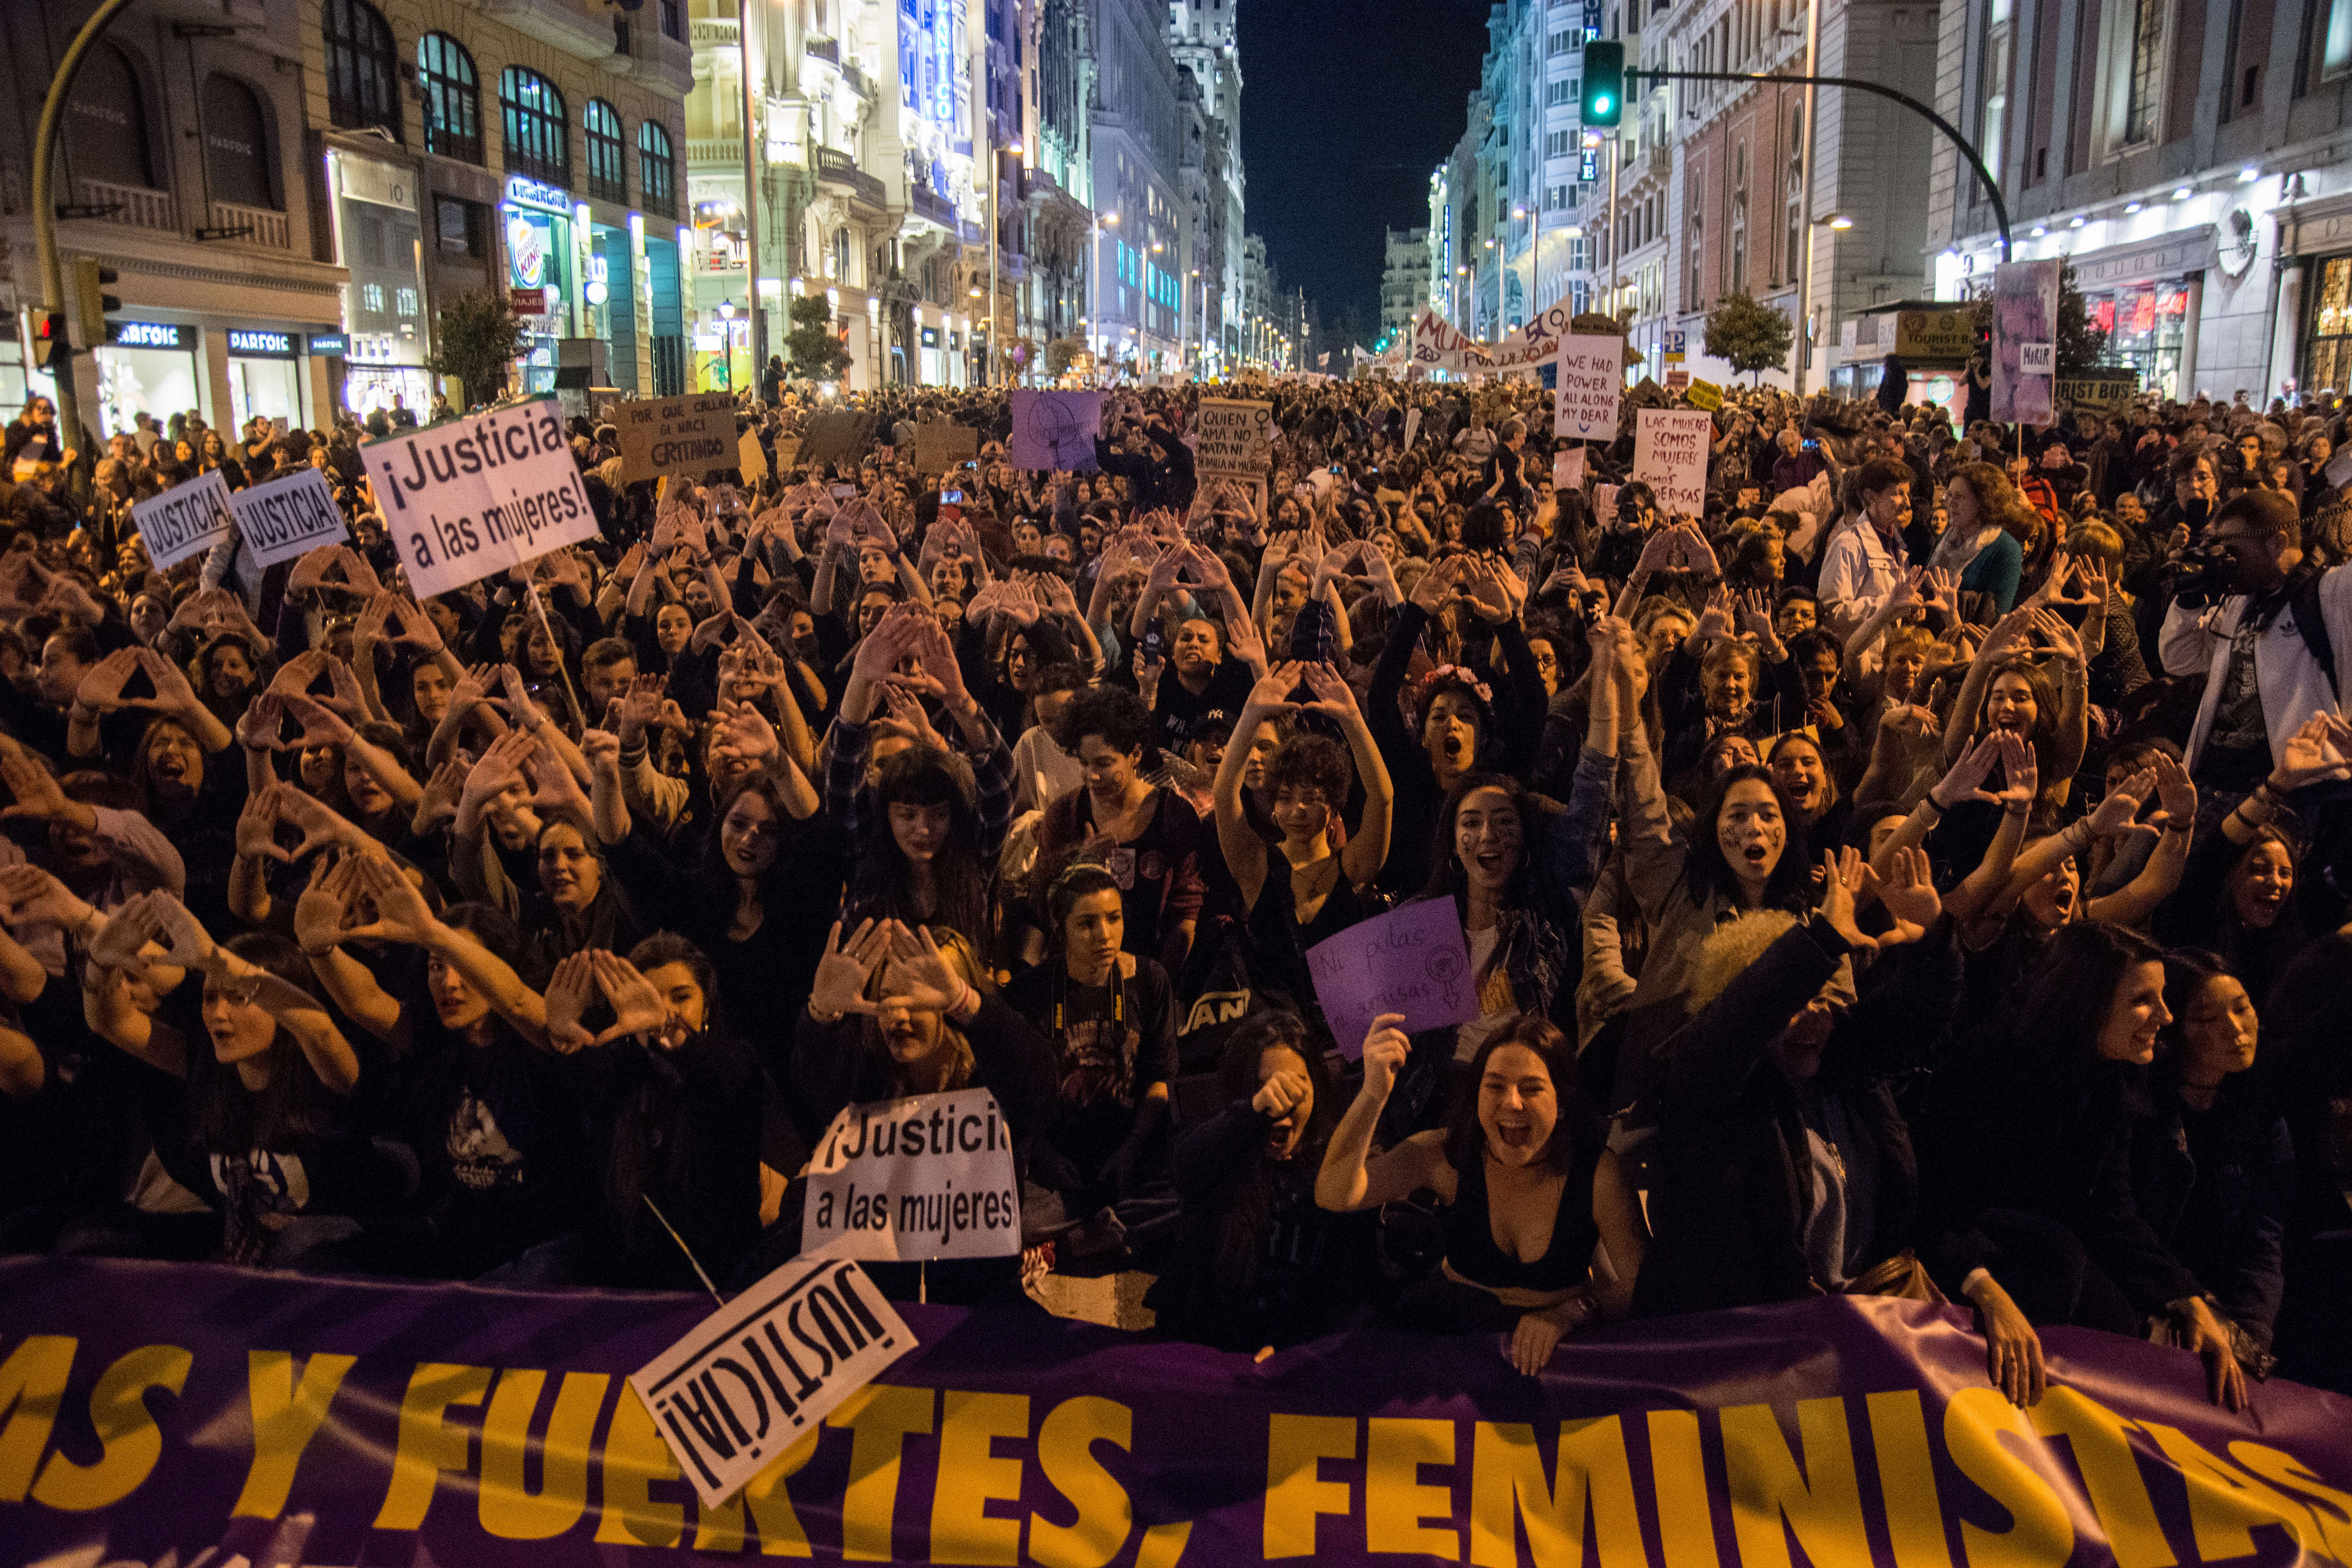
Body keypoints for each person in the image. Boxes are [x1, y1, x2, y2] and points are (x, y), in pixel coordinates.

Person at [1316, 1011, 1648, 1375]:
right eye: (1495, 1086)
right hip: (1457, 1341)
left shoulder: (1598, 1173)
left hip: (1549, 1358)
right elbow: (1334, 1193)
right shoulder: (1445, 1155)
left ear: (1564, 1101)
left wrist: (1570, 1314)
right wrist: (1373, 1094)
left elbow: (1643, 1284)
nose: (1512, 1102)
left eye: (1532, 1087)